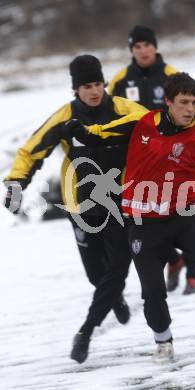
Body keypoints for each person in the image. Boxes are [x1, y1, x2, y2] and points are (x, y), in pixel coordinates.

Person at [64, 72, 195, 362]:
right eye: (183, 102)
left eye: (194, 102)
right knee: (153, 292)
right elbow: (104, 130)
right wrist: (84, 132)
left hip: (182, 216)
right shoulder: (143, 122)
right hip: (142, 224)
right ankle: (163, 342)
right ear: (167, 102)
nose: (189, 109)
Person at [3, 54, 148, 364]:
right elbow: (32, 150)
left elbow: (160, 131)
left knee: (117, 269)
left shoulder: (126, 110)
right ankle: (114, 299)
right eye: (86, 86)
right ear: (75, 90)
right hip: (80, 203)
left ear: (104, 84)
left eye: (98, 84)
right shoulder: (65, 117)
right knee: (96, 273)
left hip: (120, 202)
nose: (94, 91)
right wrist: (16, 183)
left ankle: (85, 332)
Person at [109, 24, 195, 295]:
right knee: (144, 219)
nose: (143, 50)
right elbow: (111, 117)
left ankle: (192, 277)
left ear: (155, 46)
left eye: (147, 45)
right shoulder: (121, 81)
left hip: (176, 157)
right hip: (141, 163)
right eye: (137, 46)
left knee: (184, 213)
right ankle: (173, 260)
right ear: (131, 50)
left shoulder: (173, 76)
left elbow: (193, 110)